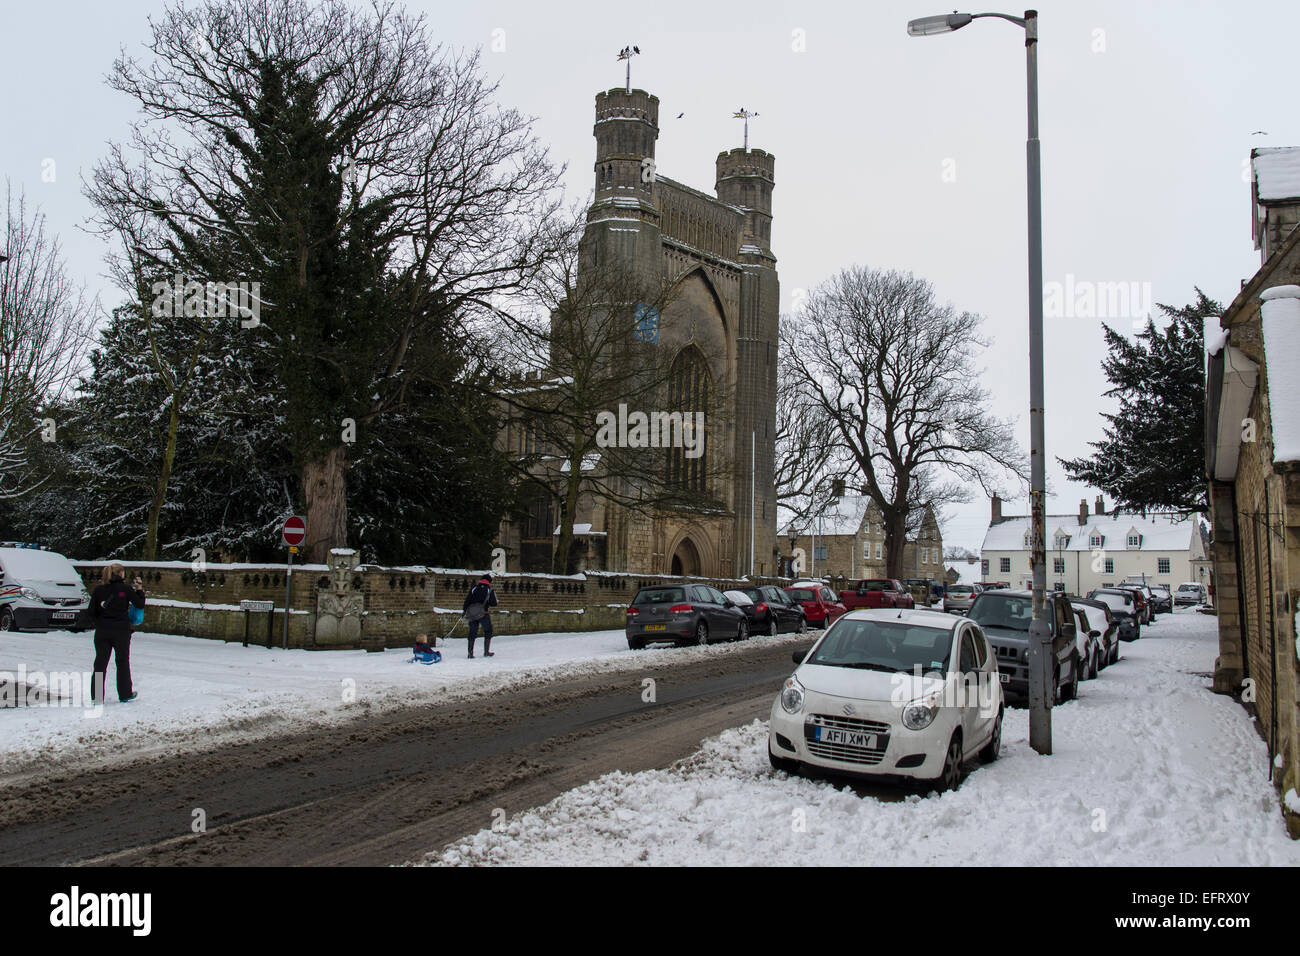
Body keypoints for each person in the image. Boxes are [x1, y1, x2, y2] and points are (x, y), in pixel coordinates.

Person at [90, 563, 146, 703]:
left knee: (100, 663)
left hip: (102, 631)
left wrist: (100, 623)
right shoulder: (125, 589)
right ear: (121, 574)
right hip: (121, 631)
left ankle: (97, 696)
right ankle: (125, 693)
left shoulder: (99, 590)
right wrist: (139, 589)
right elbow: (139, 604)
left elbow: (91, 612)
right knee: (122, 662)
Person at [463, 573, 499, 659]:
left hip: (472, 613)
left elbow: (467, 601)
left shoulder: (474, 588)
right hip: (484, 614)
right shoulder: (489, 590)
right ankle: (486, 652)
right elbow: (493, 603)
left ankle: (470, 653)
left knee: (472, 632)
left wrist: (464, 611)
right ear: (489, 581)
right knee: (488, 631)